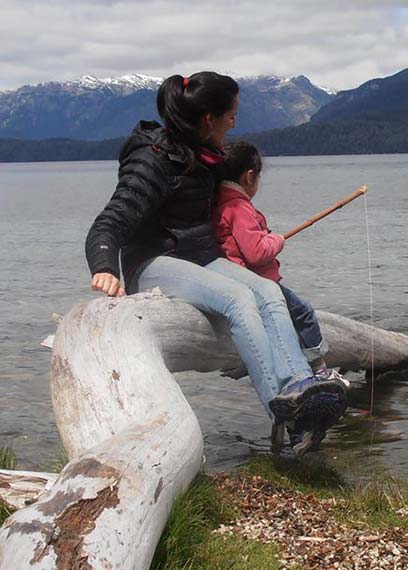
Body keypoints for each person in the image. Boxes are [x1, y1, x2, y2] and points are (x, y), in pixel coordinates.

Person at [84, 72, 346, 457]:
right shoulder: (152, 159)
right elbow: (110, 222)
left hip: (201, 257)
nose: (234, 123)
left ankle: (299, 387)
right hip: (155, 262)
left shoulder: (206, 154)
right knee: (239, 300)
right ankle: (284, 408)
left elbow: (239, 180)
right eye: (231, 115)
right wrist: (104, 266)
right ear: (209, 119)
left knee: (269, 293)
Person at [213, 141, 347, 451]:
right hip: (258, 284)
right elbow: (256, 252)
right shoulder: (239, 207)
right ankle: (320, 367)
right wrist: (276, 240)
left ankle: (287, 432)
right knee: (302, 311)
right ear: (249, 176)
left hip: (239, 284)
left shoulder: (219, 203)